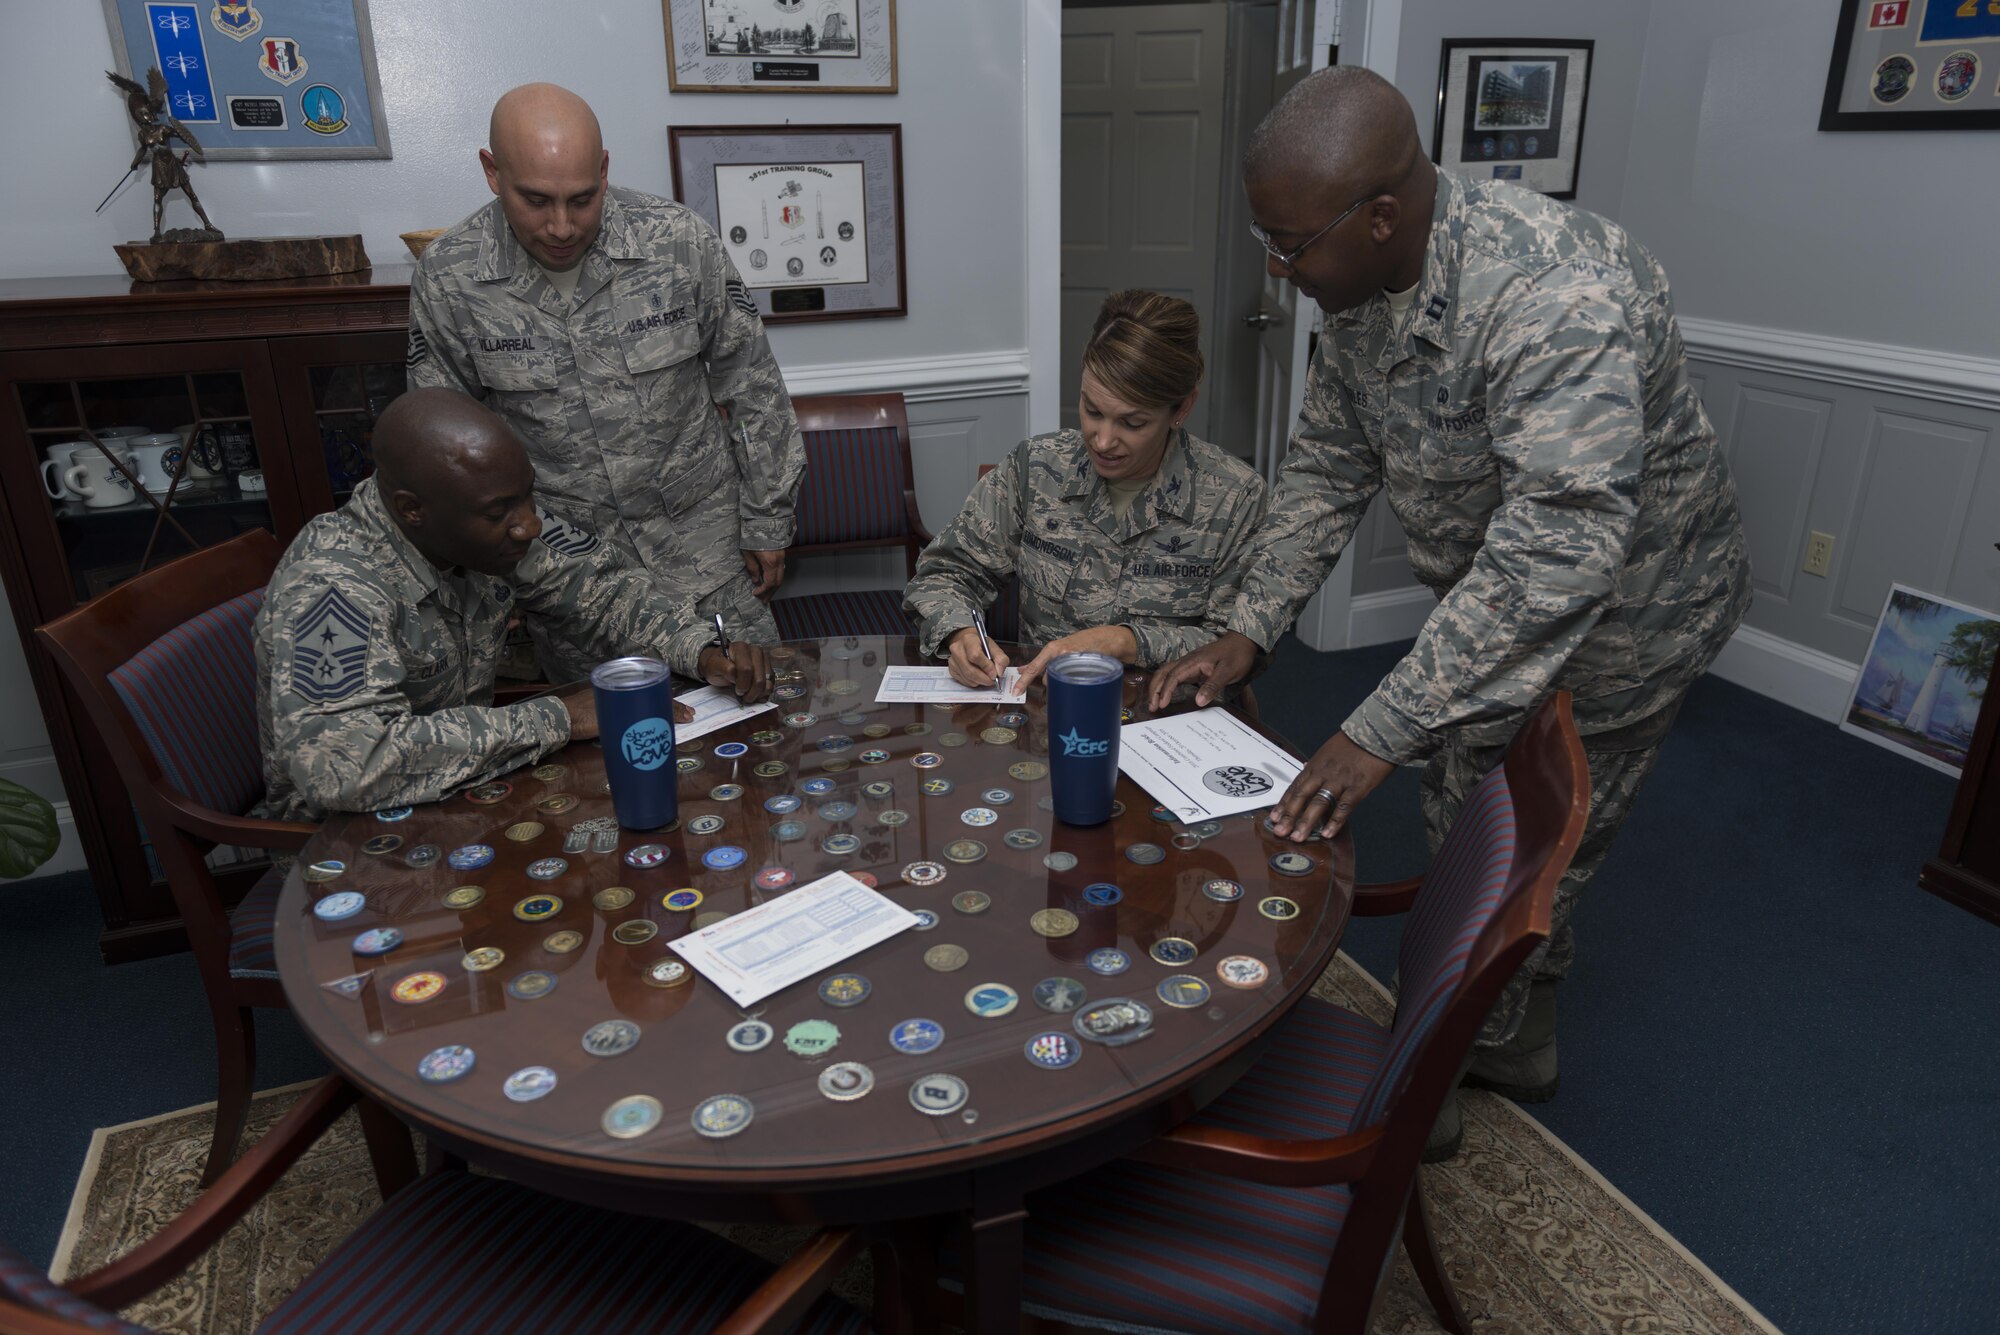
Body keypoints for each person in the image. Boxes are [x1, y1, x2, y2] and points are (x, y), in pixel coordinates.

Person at [1149, 68, 1751, 1156]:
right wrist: (1249, 623)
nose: (1276, 273)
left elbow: (1558, 553)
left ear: (1380, 217)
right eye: (1264, 243)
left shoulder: (1550, 299)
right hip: (1490, 597)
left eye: (1290, 246)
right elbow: (1329, 463)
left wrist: (1375, 727)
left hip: (1627, 616)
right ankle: (1472, 1014)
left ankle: (1471, 1050)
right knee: (1464, 790)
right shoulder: (1362, 287)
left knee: (1527, 848)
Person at [404, 83, 804, 681]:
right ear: (492, 172)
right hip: (570, 583)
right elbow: (444, 454)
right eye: (536, 201)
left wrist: (768, 519)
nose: (562, 226)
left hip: (710, 560)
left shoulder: (678, 243)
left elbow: (752, 386)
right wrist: (489, 572)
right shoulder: (451, 280)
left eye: (583, 199)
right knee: (611, 758)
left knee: (757, 741)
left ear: (605, 170)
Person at [252, 389, 771, 823]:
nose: (529, 525)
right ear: (412, 510)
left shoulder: (483, 521)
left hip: (465, 794)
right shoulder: (333, 586)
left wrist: (701, 649)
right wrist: (560, 717)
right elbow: (345, 767)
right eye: (502, 511)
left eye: (528, 497)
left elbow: (603, 595)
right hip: (358, 845)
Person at [904, 290, 1268, 692]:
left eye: (1132, 423)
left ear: (1181, 409)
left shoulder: (1235, 498)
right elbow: (945, 573)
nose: (1103, 440)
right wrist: (959, 634)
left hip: (1167, 721)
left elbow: (1237, 646)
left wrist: (1123, 642)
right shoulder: (1036, 468)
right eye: (1092, 411)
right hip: (1044, 710)